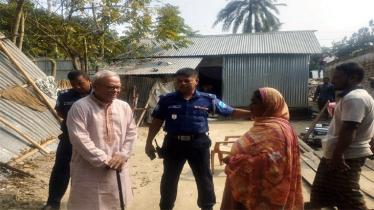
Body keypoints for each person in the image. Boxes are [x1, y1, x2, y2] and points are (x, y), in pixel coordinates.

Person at [145, 68, 251, 210]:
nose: (182, 83)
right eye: (179, 81)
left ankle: (207, 207)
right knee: (169, 178)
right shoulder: (167, 100)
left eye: (187, 80)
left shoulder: (208, 99)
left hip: (198, 144)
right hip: (173, 144)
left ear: (196, 81)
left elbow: (231, 111)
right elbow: (156, 122)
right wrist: (148, 143)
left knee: (204, 177)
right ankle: (166, 206)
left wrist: (254, 113)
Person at [220, 87, 304, 210]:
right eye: (251, 101)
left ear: (269, 106)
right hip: (244, 183)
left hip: (259, 194)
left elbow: (274, 164)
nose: (249, 106)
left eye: (255, 103)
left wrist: (234, 161)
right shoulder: (265, 124)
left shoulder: (277, 130)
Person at [66, 70, 137, 209]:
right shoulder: (80, 107)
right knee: (89, 203)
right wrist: (104, 160)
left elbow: (132, 132)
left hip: (119, 164)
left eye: (118, 87)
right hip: (89, 167)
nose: (115, 90)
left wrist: (122, 154)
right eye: (110, 87)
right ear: (95, 86)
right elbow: (79, 137)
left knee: (116, 201)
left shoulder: (123, 106)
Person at [310, 62, 374, 209]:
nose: (333, 81)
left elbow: (350, 128)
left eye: (337, 77)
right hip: (337, 154)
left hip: (346, 156)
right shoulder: (351, 97)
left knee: (348, 195)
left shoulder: (355, 99)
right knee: (323, 191)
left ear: (353, 78)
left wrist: (338, 155)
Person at [41, 70, 92, 210]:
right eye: (74, 84)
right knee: (61, 169)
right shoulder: (65, 96)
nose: (77, 87)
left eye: (80, 83)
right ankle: (53, 203)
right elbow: (61, 112)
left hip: (93, 139)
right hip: (69, 138)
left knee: (92, 170)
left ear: (89, 80)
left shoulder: (98, 94)